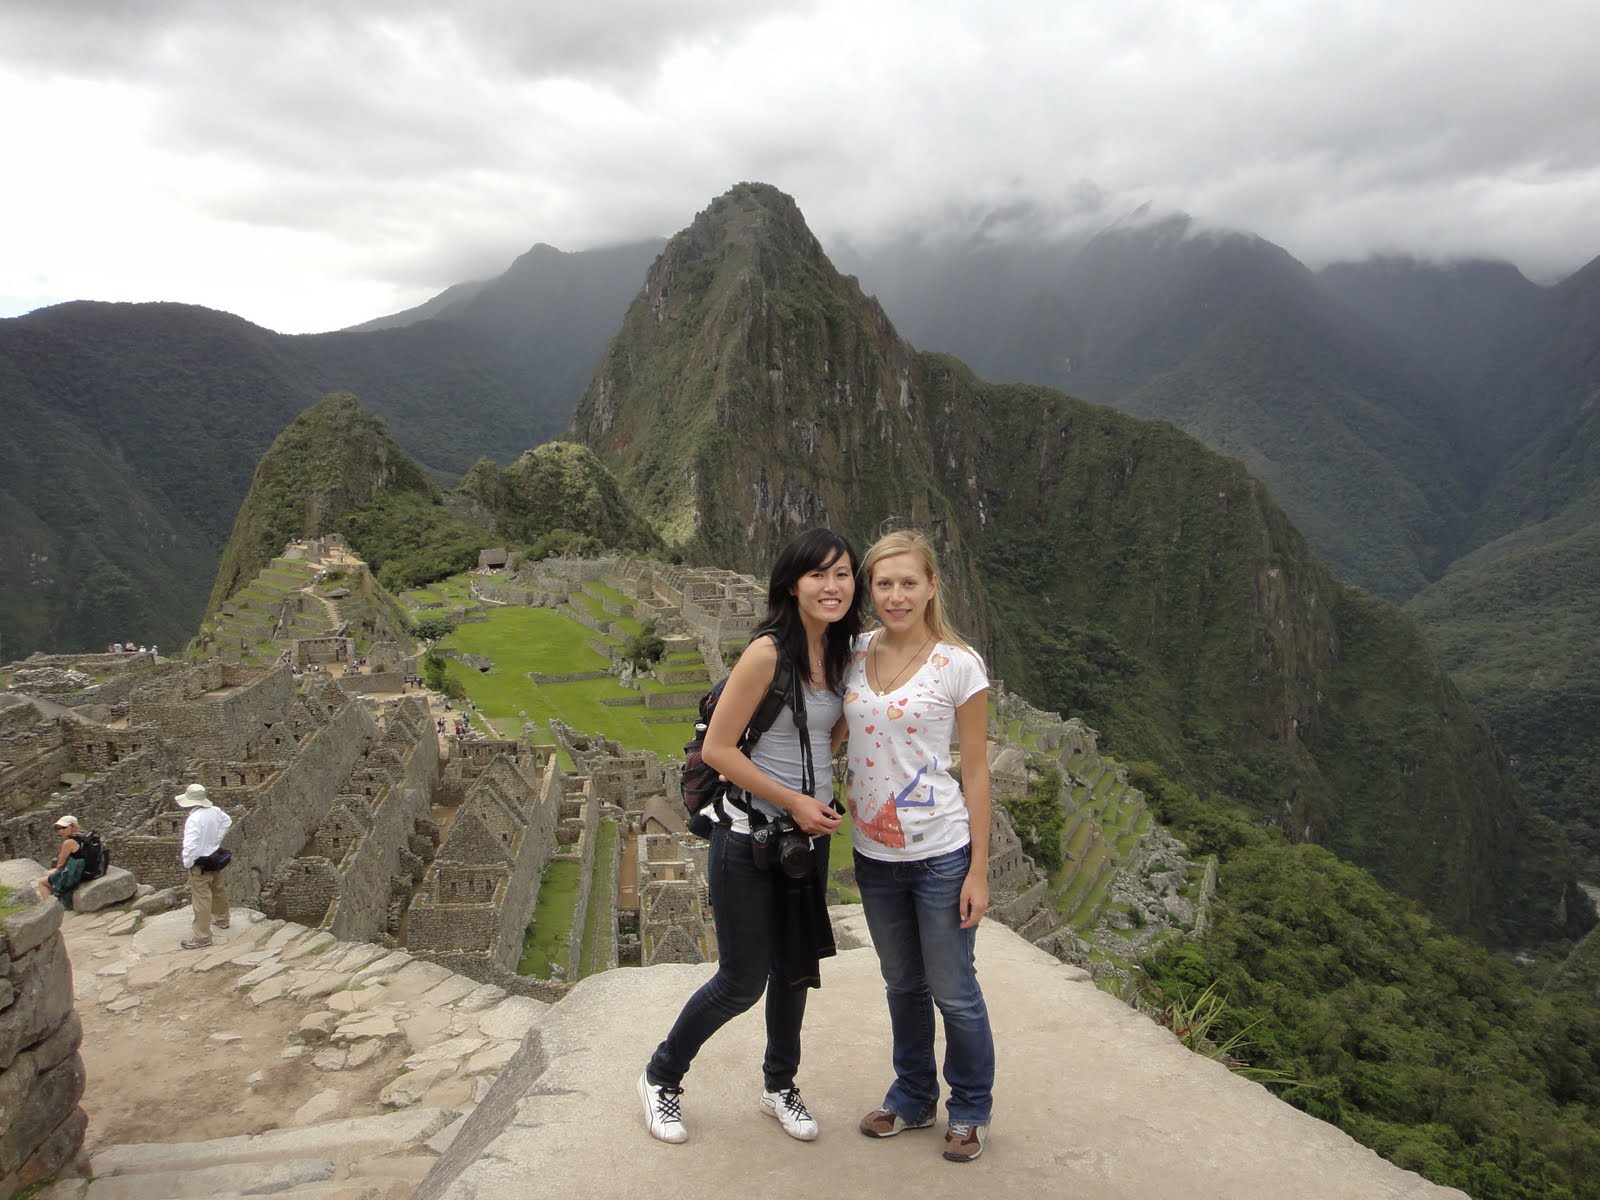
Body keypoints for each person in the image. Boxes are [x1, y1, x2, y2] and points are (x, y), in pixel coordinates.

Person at [639, 529, 862, 1145]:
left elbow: (826, 734)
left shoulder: (839, 657)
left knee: (795, 970)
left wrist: (813, 800)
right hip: (748, 835)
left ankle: (778, 1085)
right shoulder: (767, 653)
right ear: (793, 583)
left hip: (806, 839)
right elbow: (718, 748)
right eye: (819, 574)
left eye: (842, 574)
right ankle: (661, 1077)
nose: (832, 586)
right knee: (741, 980)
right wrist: (793, 799)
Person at [844, 529, 995, 1163]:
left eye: (909, 582)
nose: (896, 595)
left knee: (953, 988)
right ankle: (911, 1097)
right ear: (870, 590)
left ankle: (969, 1109)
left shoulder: (959, 664)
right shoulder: (853, 652)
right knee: (901, 984)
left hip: (940, 852)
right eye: (884, 584)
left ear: (932, 585)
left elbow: (977, 770)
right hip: (874, 855)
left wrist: (978, 870)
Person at [175, 783, 233, 949]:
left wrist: (188, 863)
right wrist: (215, 842)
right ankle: (222, 919)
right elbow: (227, 821)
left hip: (200, 862)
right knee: (218, 889)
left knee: (201, 898)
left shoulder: (194, 819)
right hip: (214, 858)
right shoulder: (214, 811)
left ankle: (202, 937)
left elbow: (190, 845)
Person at [36, 815, 86, 904]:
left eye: (64, 828)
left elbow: (60, 864)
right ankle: (56, 897)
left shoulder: (68, 842)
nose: (61, 831)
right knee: (48, 873)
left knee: (42, 883)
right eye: (58, 828)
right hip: (84, 869)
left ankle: (50, 908)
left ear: (73, 827)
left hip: (75, 874)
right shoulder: (84, 836)